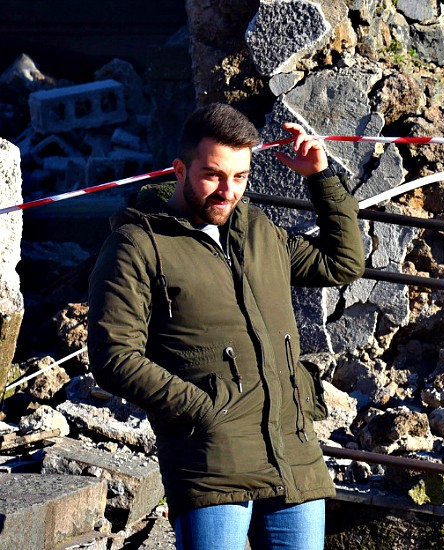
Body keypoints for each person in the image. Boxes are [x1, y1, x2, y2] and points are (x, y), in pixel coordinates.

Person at [87, 103, 364, 550]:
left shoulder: (259, 231)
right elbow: (114, 356)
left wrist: (320, 178)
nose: (227, 191)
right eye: (213, 175)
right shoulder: (136, 245)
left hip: (294, 458)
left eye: (240, 177)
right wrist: (204, 409)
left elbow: (343, 262)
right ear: (179, 169)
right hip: (210, 463)